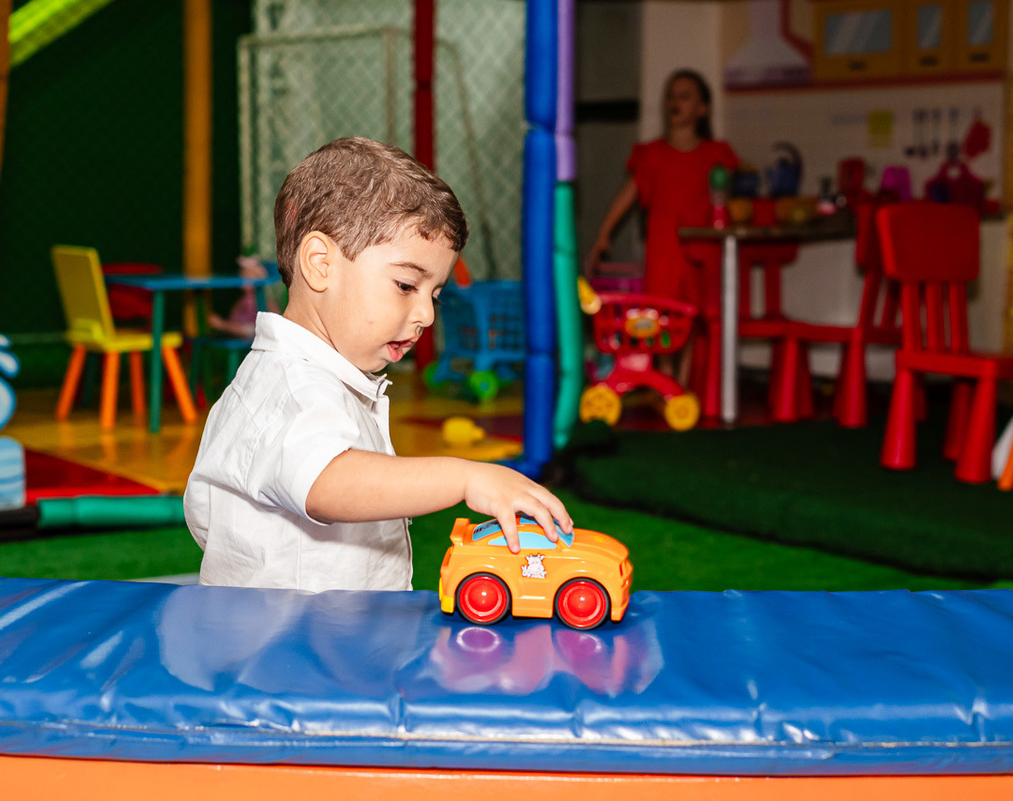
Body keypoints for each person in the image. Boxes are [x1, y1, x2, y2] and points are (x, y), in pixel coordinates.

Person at [184, 137, 572, 592]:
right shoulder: (288, 385)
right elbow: (329, 482)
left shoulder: (328, 378)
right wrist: (465, 476)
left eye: (435, 294)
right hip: (289, 651)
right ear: (320, 264)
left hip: (327, 641)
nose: (427, 314)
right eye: (406, 285)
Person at [585, 69, 738, 315]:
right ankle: (665, 356)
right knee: (662, 315)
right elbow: (628, 193)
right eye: (671, 96)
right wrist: (604, 232)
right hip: (663, 251)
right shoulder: (651, 155)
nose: (676, 102)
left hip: (700, 250)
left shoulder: (715, 155)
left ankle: (688, 356)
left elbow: (726, 200)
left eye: (685, 97)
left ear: (702, 109)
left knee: (695, 313)